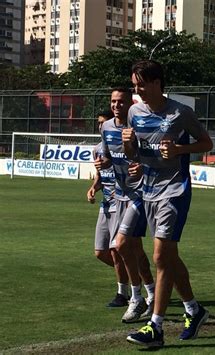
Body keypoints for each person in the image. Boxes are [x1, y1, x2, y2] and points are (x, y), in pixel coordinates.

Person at [123, 60, 213, 348]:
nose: (137, 90)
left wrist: (180, 149)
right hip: (147, 190)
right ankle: (194, 309)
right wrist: (130, 151)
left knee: (161, 256)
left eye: (141, 84)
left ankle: (156, 326)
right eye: (134, 85)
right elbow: (134, 153)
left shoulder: (180, 113)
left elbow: (206, 143)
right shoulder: (134, 112)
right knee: (169, 257)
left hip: (174, 190)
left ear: (158, 83)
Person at [95, 88, 156, 323]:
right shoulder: (107, 127)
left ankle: (136, 297)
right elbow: (110, 155)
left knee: (121, 245)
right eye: (113, 101)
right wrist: (104, 162)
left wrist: (142, 167)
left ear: (129, 103)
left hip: (140, 194)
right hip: (119, 195)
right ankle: (150, 294)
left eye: (120, 101)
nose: (116, 105)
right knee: (134, 249)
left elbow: (152, 156)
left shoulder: (138, 126)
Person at [87, 110, 130, 307]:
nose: (100, 126)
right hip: (105, 205)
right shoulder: (97, 149)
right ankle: (136, 276)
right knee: (100, 252)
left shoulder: (121, 146)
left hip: (120, 203)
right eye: (98, 123)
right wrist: (94, 188)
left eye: (103, 122)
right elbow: (100, 177)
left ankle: (123, 293)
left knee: (115, 251)